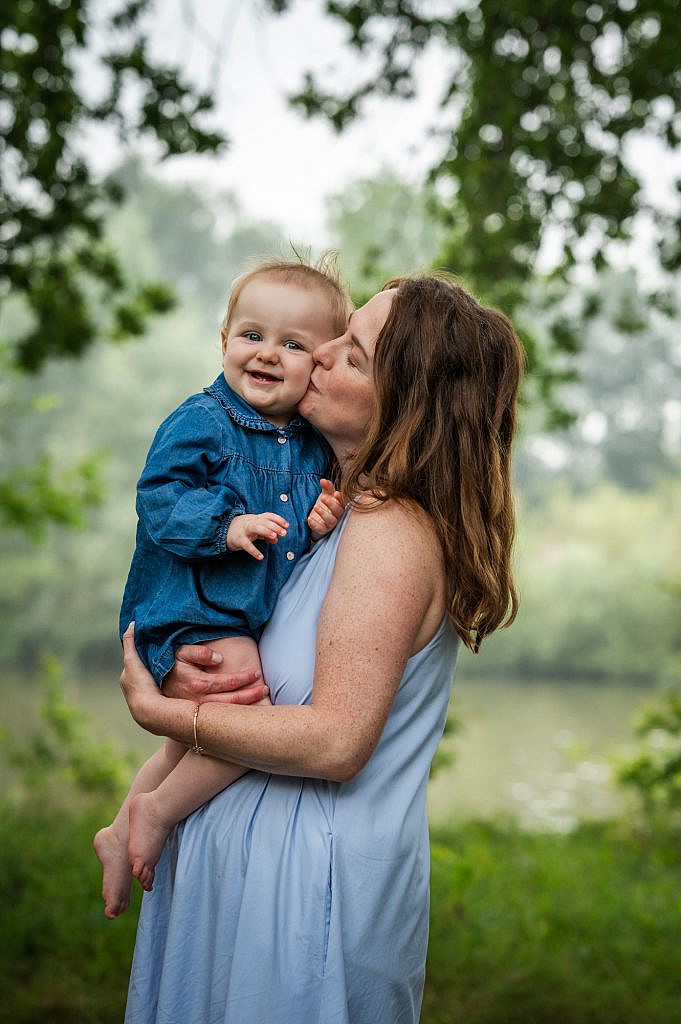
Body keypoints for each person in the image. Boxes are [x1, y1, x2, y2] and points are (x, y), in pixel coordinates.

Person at [118, 273, 523, 1024]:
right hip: (255, 888)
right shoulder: (321, 515)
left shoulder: (389, 532)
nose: (322, 353)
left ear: (406, 405)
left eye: (355, 354)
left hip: (303, 904)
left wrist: (160, 712)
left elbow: (335, 740)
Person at [94, 257, 350, 919]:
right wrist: (224, 524)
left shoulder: (309, 447)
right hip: (189, 609)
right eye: (252, 335)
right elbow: (158, 498)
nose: (267, 354)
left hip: (235, 616)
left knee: (194, 737)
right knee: (253, 717)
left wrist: (319, 526)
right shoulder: (203, 422)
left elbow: (291, 540)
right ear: (223, 339)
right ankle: (157, 812)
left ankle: (121, 827)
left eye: (293, 345)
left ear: (318, 365)